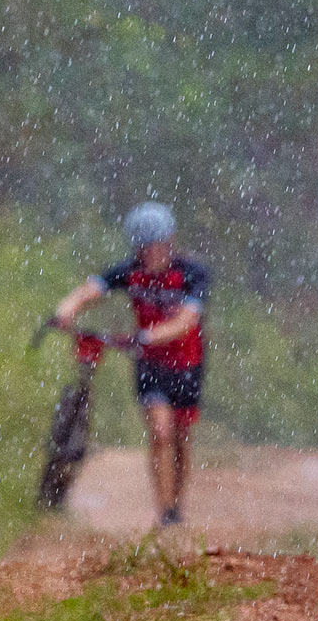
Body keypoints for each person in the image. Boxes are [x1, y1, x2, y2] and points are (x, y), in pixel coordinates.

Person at [54, 202, 211, 528]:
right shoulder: (130, 271)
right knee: (160, 432)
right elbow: (93, 288)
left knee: (181, 439)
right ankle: (165, 512)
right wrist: (68, 307)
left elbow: (187, 320)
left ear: (170, 242)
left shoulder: (192, 274)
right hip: (150, 365)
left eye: (156, 247)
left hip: (187, 365)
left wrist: (151, 335)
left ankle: (177, 507)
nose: (150, 254)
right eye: (144, 248)